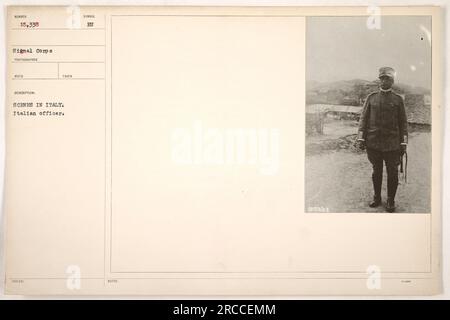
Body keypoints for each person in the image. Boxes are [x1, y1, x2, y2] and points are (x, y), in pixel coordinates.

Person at [356, 67, 408, 212]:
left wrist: (403, 141)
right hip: (373, 143)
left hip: (392, 145)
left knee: (392, 173)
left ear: (392, 81)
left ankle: (391, 200)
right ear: (380, 80)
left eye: (388, 79)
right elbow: (363, 119)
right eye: (382, 78)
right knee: (376, 171)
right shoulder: (371, 98)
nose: (385, 81)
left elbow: (403, 122)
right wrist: (361, 138)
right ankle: (377, 197)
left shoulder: (398, 100)